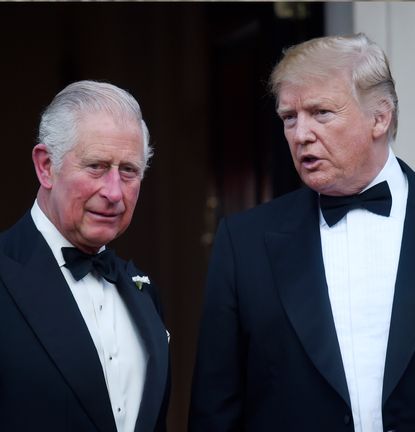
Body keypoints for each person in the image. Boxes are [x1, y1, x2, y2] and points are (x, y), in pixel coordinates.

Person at [189, 33, 415, 432]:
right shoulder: (244, 243)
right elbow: (215, 408)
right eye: (289, 118)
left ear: (380, 118)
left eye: (321, 112)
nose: (300, 134)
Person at [0, 80, 169, 432]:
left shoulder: (143, 291)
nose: (114, 192)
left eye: (129, 171)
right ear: (46, 166)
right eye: (96, 166)